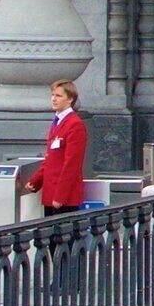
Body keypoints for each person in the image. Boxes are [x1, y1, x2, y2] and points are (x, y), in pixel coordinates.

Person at [35, 78, 93, 213]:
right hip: (51, 193)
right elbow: (51, 158)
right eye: (52, 95)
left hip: (64, 197)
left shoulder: (75, 124)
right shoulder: (58, 121)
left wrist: (61, 195)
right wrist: (35, 182)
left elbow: (72, 163)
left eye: (59, 96)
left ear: (70, 99)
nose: (54, 99)